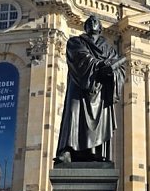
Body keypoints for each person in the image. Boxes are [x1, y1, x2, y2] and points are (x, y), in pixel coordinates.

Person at [54, 14, 126, 163]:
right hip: (80, 87)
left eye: (96, 21)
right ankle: (67, 150)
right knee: (73, 114)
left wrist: (112, 73)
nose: (93, 22)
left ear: (100, 28)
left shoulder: (109, 50)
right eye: (90, 21)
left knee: (100, 123)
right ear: (85, 27)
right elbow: (80, 57)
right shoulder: (76, 41)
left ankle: (97, 153)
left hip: (100, 92)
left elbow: (121, 70)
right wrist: (100, 66)